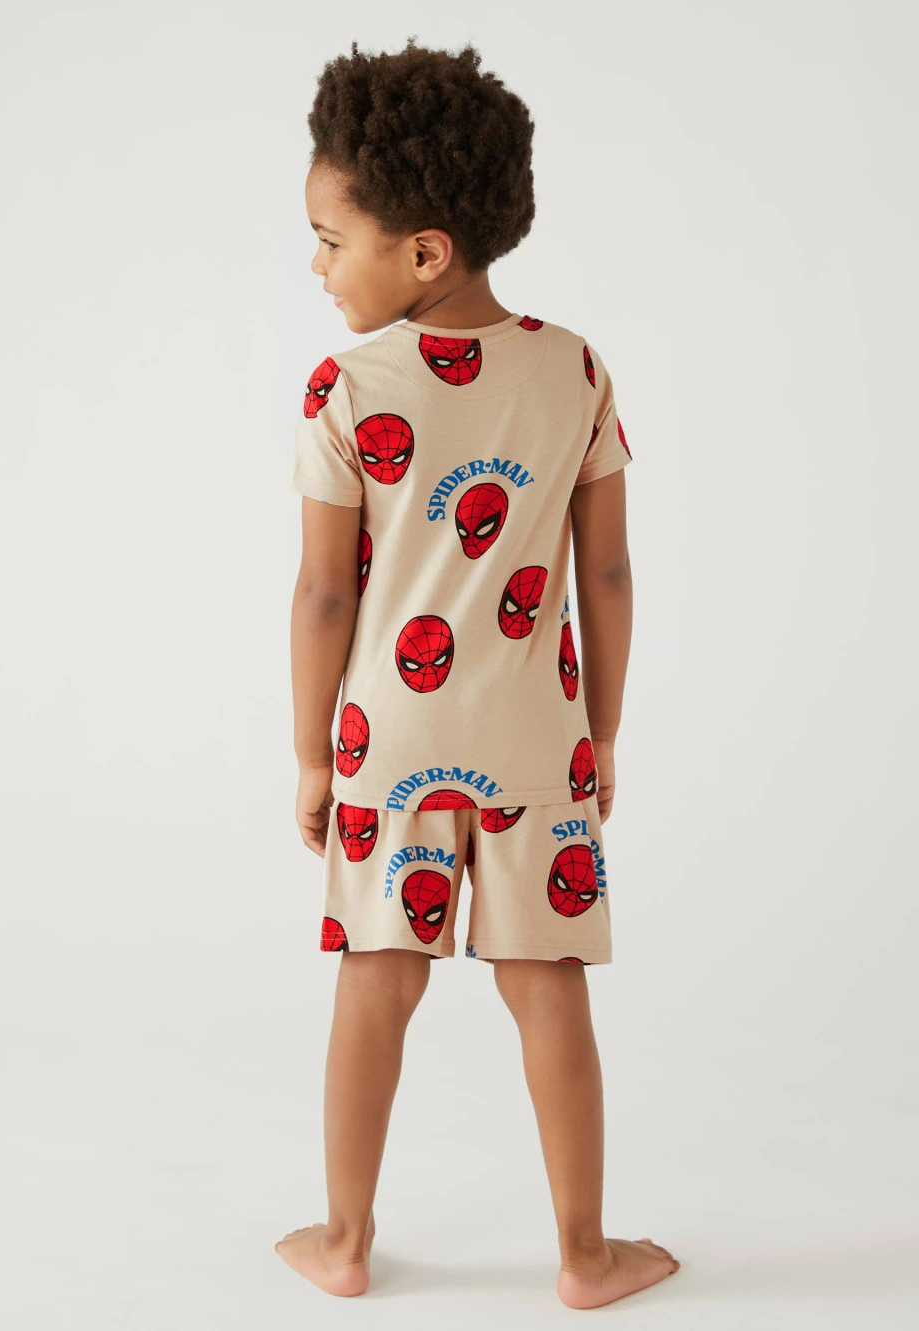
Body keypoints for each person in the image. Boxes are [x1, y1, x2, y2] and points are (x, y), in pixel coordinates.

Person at [279, 36, 679, 1310]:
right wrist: (600, 731)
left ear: (424, 251)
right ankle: (584, 1253)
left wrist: (308, 753)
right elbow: (606, 573)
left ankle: (344, 1240)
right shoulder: (574, 369)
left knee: (374, 980)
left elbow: (324, 593)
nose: (316, 266)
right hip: (532, 737)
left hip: (386, 743)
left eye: (331, 241)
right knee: (547, 988)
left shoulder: (346, 387)